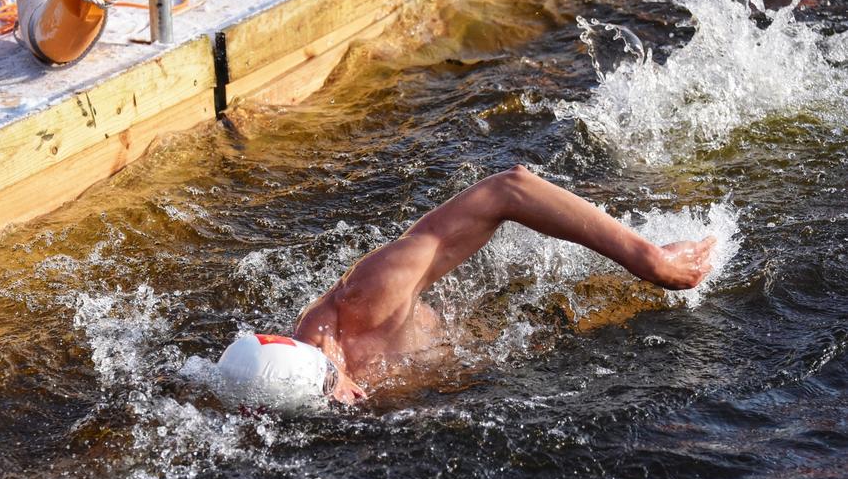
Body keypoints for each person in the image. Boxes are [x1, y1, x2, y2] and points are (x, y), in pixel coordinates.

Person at [217, 165, 715, 407]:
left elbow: (507, 188)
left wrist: (648, 260)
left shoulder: (365, 304)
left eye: (333, 387)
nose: (347, 403)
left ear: (323, 361)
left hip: (494, 326)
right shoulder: (250, 394)